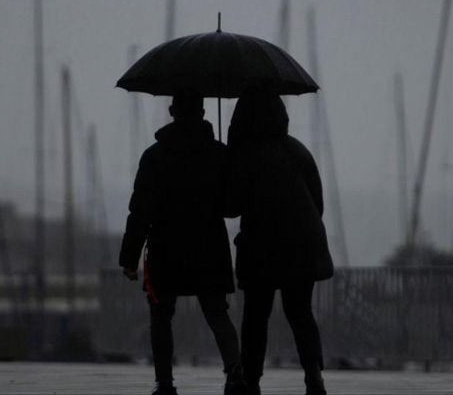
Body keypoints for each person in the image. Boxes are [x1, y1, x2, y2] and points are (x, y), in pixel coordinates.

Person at [119, 92, 244, 395]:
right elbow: (231, 207)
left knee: (161, 316)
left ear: (172, 110)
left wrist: (129, 256)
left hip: (166, 247)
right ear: (203, 112)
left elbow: (140, 210)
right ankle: (235, 374)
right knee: (217, 313)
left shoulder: (154, 156)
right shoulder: (219, 155)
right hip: (209, 246)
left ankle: (164, 383)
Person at [226, 87, 333, 395]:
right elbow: (319, 205)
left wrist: (229, 157)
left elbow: (231, 206)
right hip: (304, 246)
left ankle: (251, 379)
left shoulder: (246, 156)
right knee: (300, 312)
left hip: (262, 249)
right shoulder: (298, 151)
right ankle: (314, 376)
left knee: (256, 316)